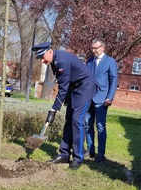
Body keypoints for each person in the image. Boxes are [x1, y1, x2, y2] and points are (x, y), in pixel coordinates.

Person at [31, 42, 98, 170]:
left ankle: (78, 158)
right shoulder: (54, 61)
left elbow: (63, 88)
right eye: (40, 58)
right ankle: (64, 154)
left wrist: (54, 108)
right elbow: (64, 83)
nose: (42, 61)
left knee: (77, 121)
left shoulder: (61, 60)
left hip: (85, 89)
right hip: (74, 89)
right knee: (69, 121)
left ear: (50, 51)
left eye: (43, 57)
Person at [84, 39, 118, 162]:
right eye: (92, 48)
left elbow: (113, 80)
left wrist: (110, 97)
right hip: (89, 98)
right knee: (87, 124)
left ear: (103, 47)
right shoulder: (89, 61)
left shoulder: (110, 62)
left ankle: (101, 153)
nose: (93, 51)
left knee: (100, 126)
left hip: (102, 99)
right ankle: (90, 149)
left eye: (96, 48)